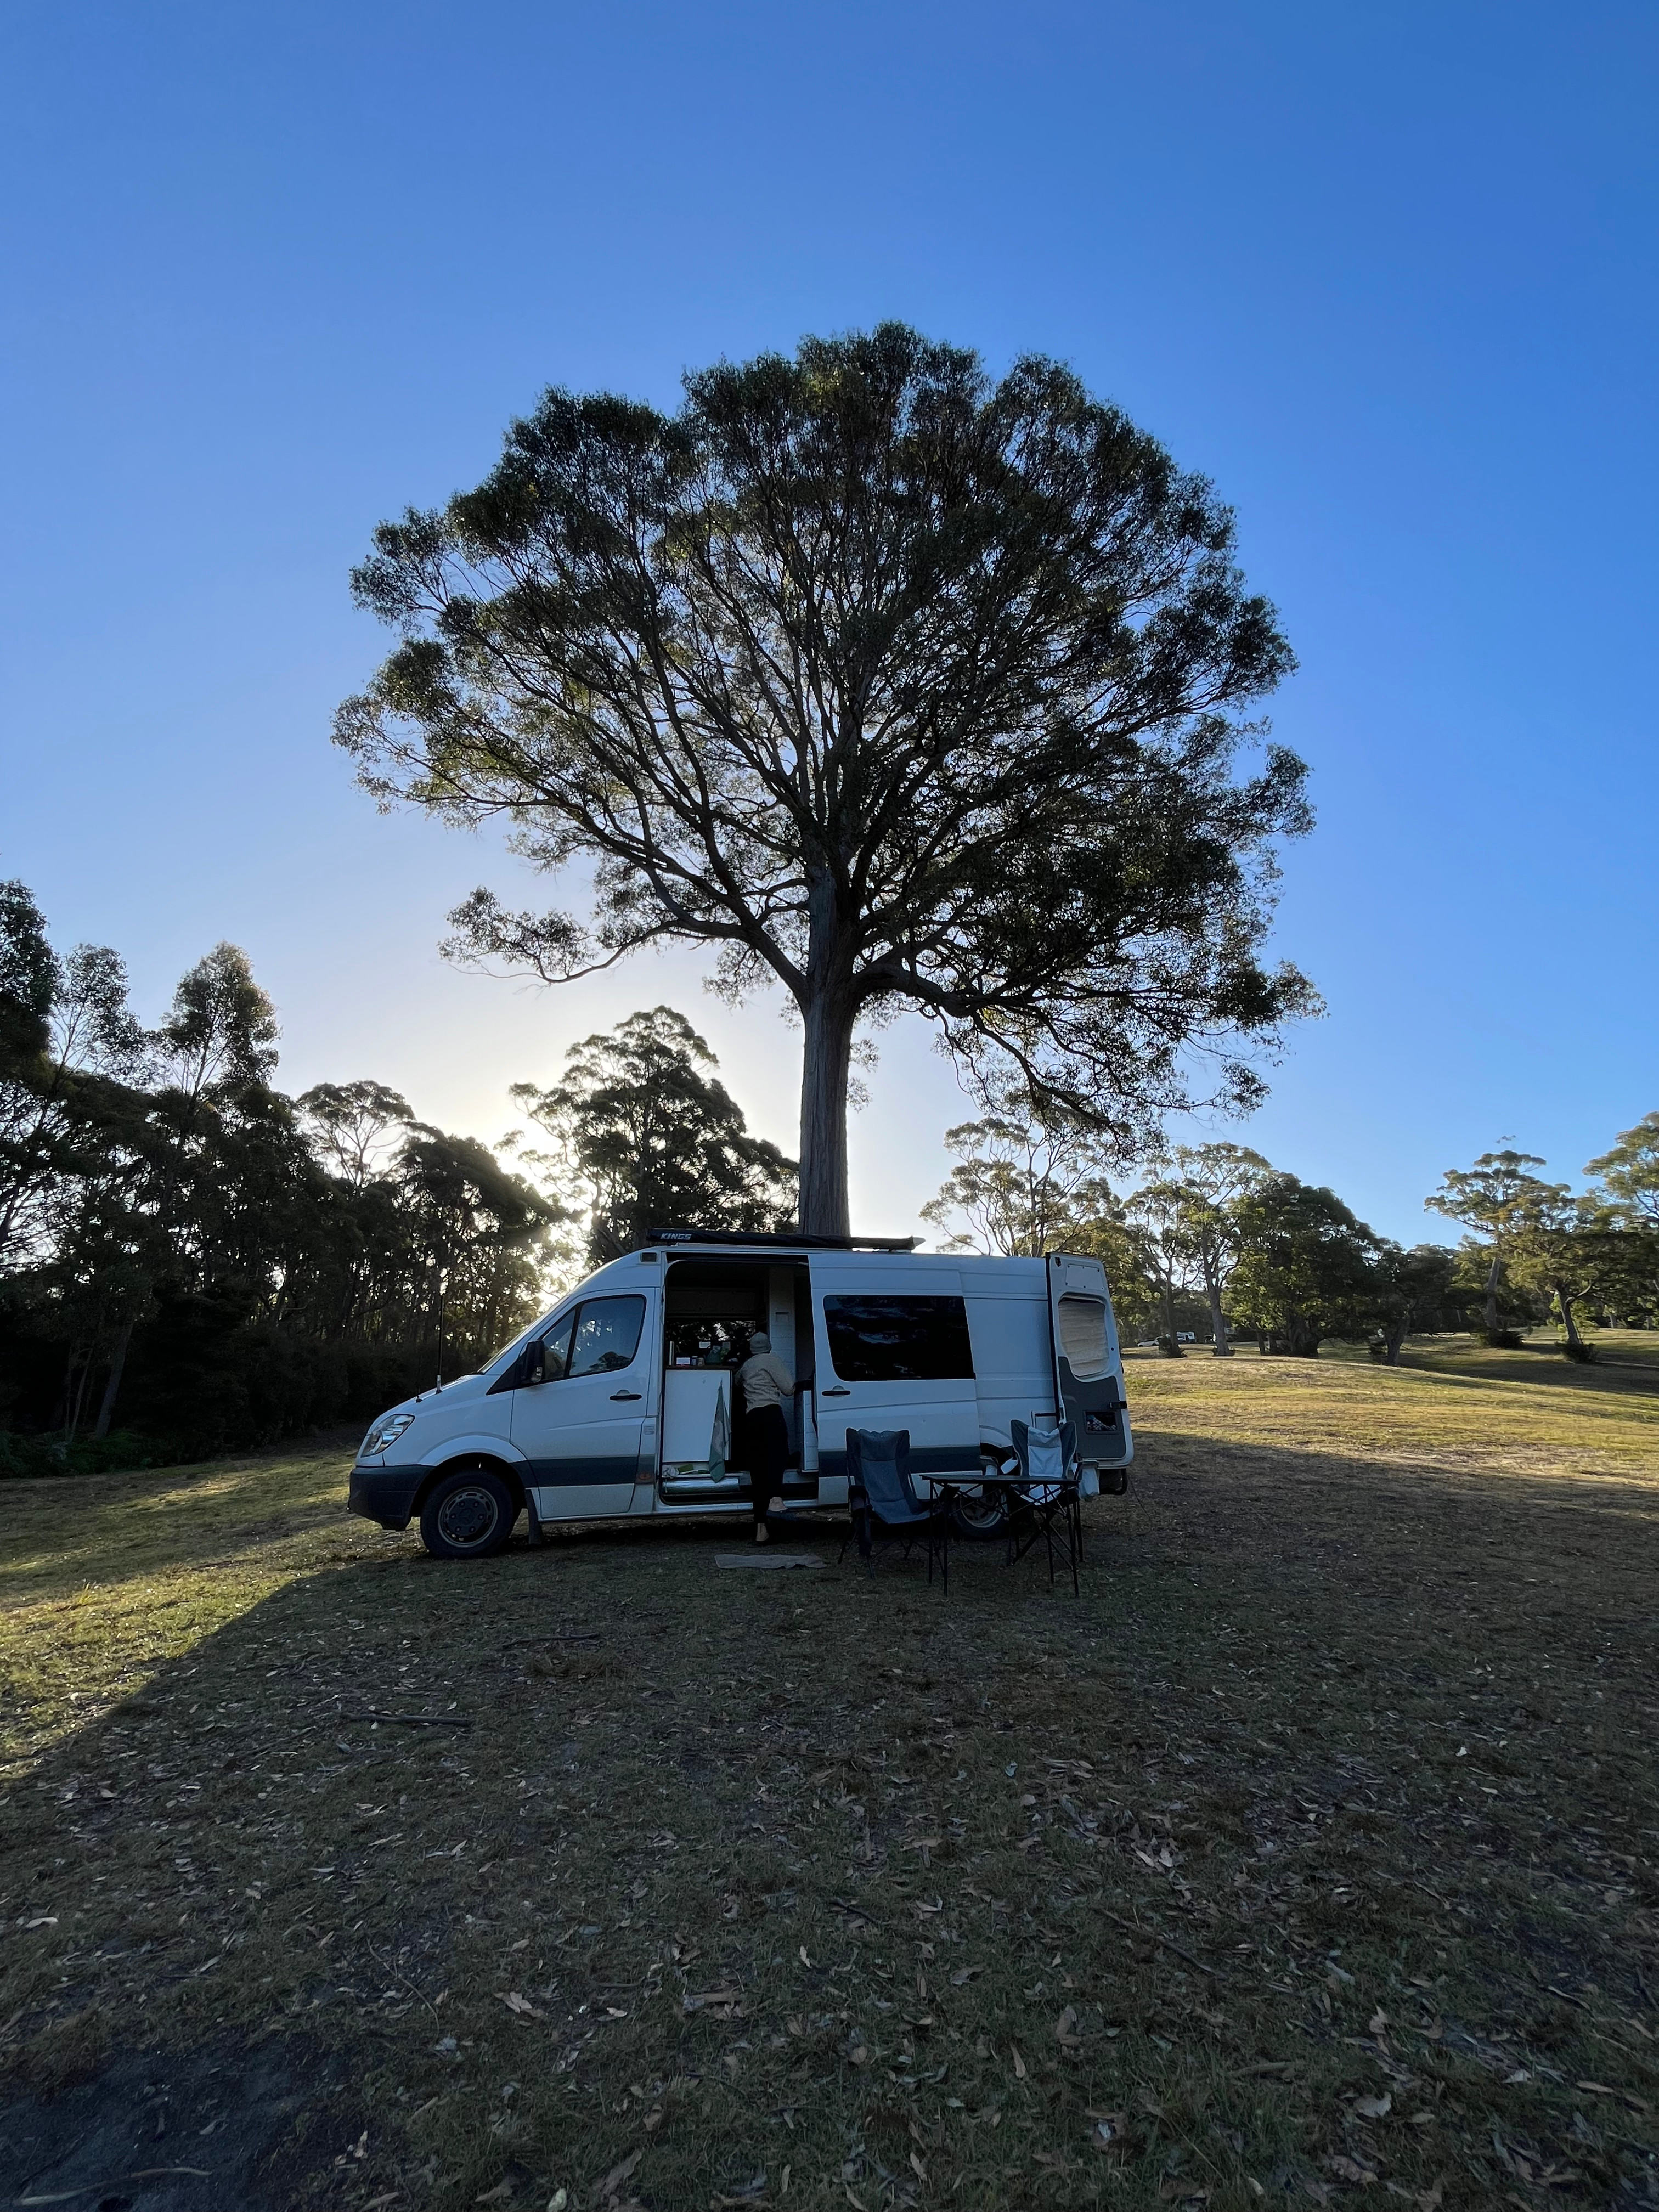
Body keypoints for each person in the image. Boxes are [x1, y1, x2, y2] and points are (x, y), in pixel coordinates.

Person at [737, 1330, 793, 1544]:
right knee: (778, 1458)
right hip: (771, 1414)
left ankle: (761, 1528)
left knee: (758, 1472)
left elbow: (737, 1381)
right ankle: (776, 1500)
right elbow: (788, 1388)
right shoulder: (771, 1360)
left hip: (752, 1418)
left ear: (752, 1349)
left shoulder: (747, 1365)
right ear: (769, 1347)